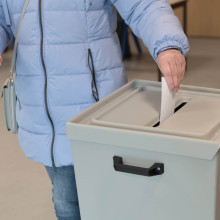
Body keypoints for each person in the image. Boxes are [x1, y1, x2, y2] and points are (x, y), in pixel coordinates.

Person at [0, 0, 189, 219]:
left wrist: (168, 44)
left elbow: (143, 6)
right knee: (67, 201)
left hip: (93, 110)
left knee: (107, 201)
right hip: (43, 113)